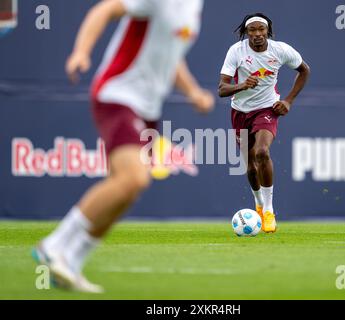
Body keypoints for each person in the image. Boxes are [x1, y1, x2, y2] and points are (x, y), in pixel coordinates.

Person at [32, 0, 214, 293]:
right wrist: (81, 52)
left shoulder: (192, 7)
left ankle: (72, 263)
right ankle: (55, 245)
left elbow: (171, 54)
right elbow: (104, 10)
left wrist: (193, 92)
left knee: (128, 189)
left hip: (147, 108)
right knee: (133, 178)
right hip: (118, 95)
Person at [218, 13, 310, 233]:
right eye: (252, 30)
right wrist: (241, 86)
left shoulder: (281, 50)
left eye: (261, 29)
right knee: (250, 166)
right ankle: (258, 204)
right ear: (246, 32)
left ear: (268, 30)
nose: (257, 34)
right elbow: (222, 89)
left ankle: (268, 210)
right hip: (240, 111)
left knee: (262, 152)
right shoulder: (236, 51)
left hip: (267, 108)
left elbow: (304, 70)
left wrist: (288, 100)